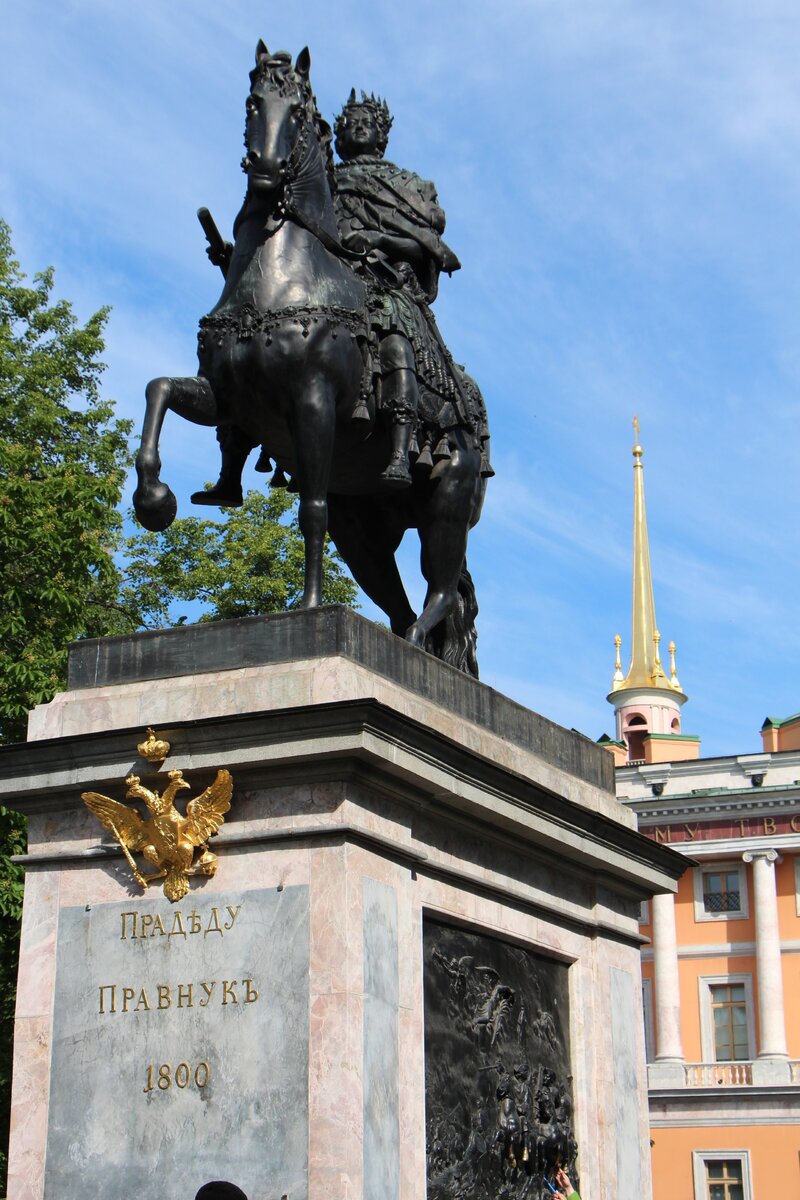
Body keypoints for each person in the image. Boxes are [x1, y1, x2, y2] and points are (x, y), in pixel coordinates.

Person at [333, 88, 464, 486]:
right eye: (349, 123)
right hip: (330, 280)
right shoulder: (321, 180)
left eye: (366, 123)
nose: (357, 128)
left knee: (395, 335)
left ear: (381, 135)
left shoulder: (409, 186)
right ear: (337, 135)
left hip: (385, 282)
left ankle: (399, 449)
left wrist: (378, 239)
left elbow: (427, 247)